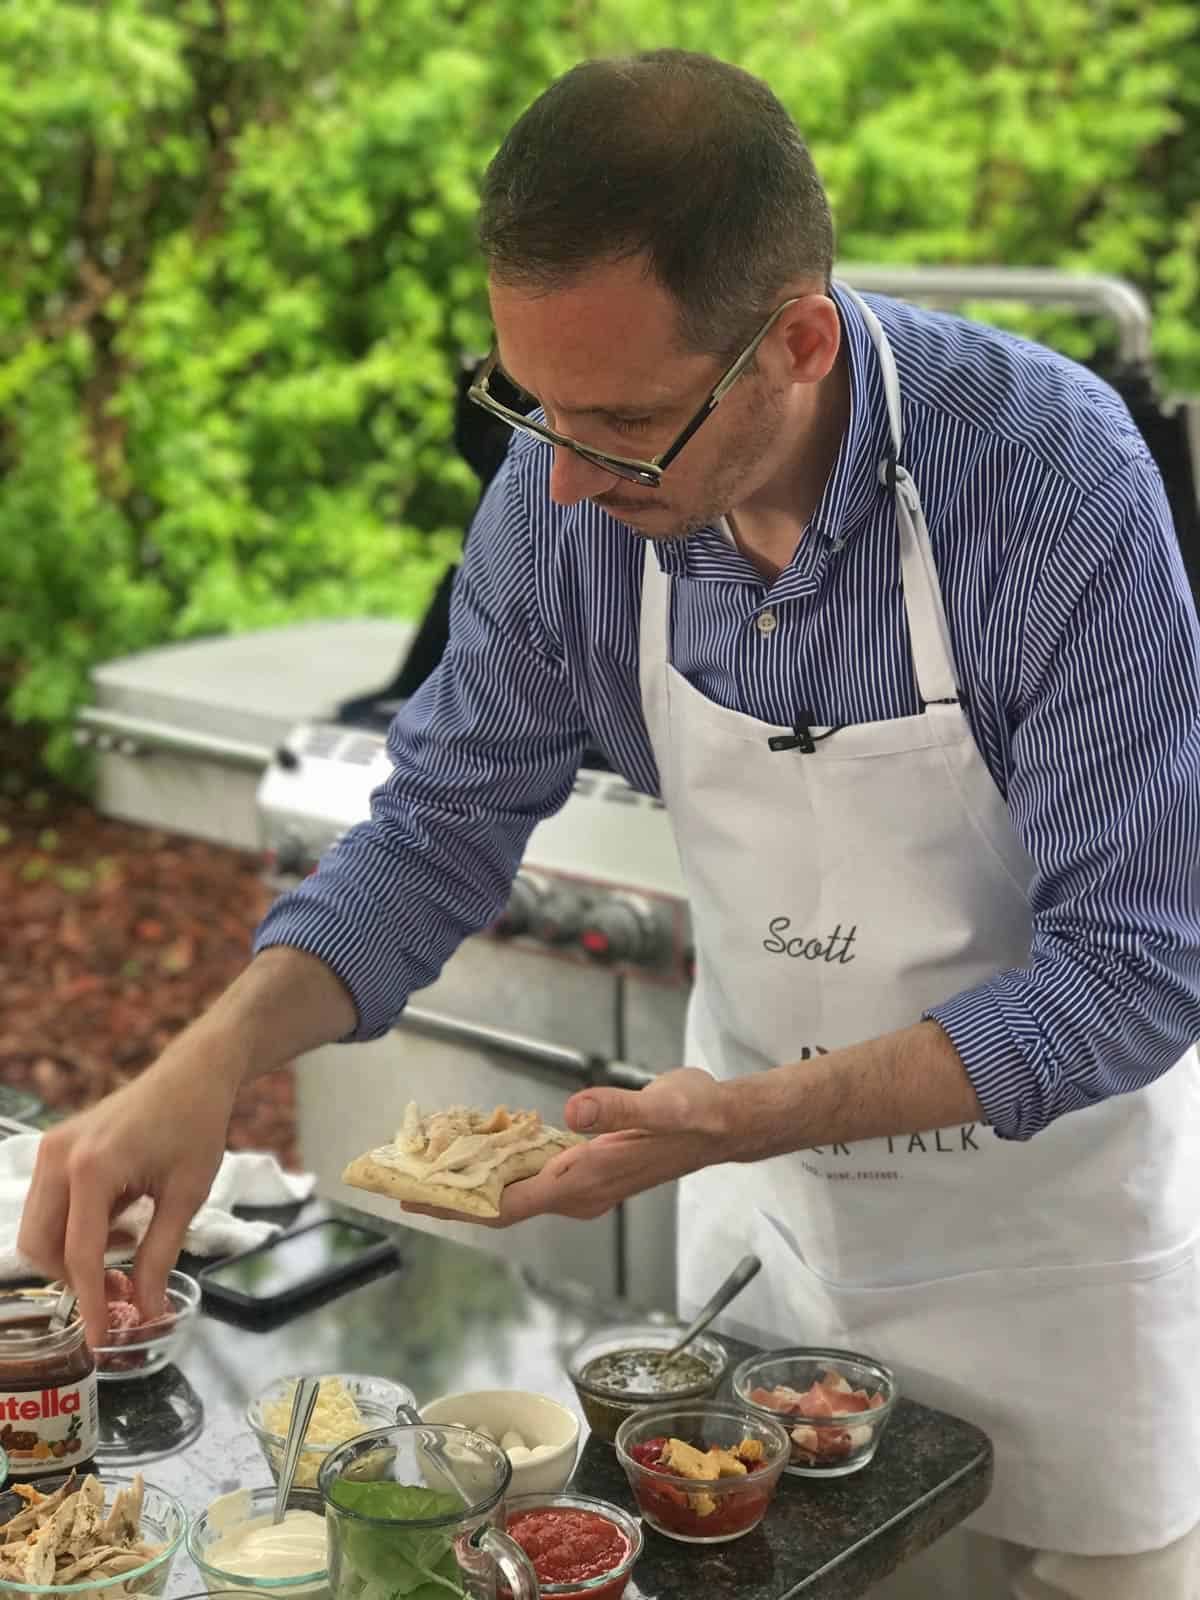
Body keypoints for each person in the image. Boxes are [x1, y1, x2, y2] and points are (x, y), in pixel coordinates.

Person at [19, 48, 1200, 1598]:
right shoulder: (563, 493)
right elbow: (438, 823)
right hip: (763, 1253)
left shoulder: (1049, 487)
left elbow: (1132, 970)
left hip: (1051, 1262)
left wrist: (749, 1110)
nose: (562, 482)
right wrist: (209, 1059)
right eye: (533, 405)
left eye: (622, 423)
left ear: (795, 342)